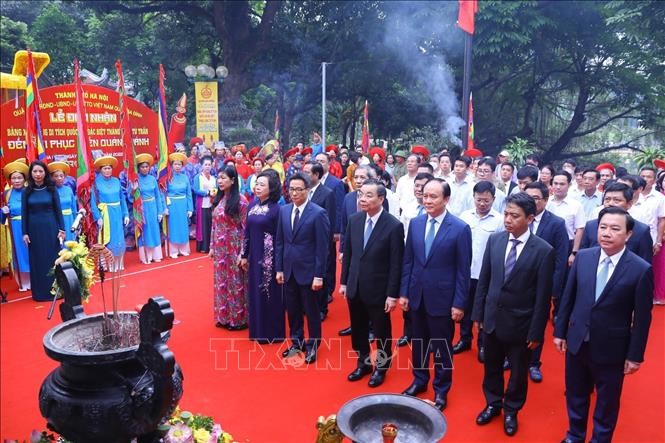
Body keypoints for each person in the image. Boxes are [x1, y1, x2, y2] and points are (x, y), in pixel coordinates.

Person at [554, 206, 653, 443]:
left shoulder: (640, 269)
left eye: (615, 229)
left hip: (612, 348)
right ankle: (575, 435)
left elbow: (642, 318)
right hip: (578, 340)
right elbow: (569, 296)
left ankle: (600, 439)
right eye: (603, 227)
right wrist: (560, 331)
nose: (607, 233)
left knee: (607, 403)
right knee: (576, 394)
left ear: (628, 234)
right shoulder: (584, 257)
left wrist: (635, 355)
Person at [472, 192, 554, 436]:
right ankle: (493, 403)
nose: (507, 219)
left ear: (529, 218)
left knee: (518, 373)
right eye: (506, 214)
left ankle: (511, 410)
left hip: (521, 323)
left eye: (514, 216)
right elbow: (484, 281)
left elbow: (542, 296)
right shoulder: (495, 241)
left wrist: (536, 330)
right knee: (491, 367)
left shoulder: (543, 251)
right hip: (492, 319)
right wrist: (478, 314)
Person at [399, 178, 472, 411]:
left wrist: (459, 303)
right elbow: (408, 261)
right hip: (417, 296)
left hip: (443, 299)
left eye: (433, 196)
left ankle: (441, 390)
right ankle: (419, 380)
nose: (427, 200)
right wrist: (404, 293)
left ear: (446, 199)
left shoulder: (460, 228)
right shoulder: (417, 223)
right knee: (419, 344)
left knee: (442, 348)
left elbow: (463, 270)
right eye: (425, 195)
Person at [341, 179, 404, 387]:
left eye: (369, 195)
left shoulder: (394, 226)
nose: (362, 199)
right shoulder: (354, 220)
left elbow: (396, 263)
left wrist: (392, 294)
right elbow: (348, 254)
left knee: (381, 332)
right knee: (358, 328)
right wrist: (344, 283)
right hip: (355, 285)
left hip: (379, 289)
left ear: (381, 198)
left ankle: (381, 367)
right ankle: (363, 362)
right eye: (360, 194)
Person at [275, 173, 330, 364]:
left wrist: (319, 275)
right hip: (289, 270)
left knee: (311, 311)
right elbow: (280, 242)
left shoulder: (318, 213)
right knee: (293, 310)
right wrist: (279, 269)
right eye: (291, 189)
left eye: (299, 189)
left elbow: (323, 248)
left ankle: (313, 345)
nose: (295, 193)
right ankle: (296, 342)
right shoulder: (283, 211)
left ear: (307, 190)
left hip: (308, 271)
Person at [523, 181, 570, 382]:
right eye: (528, 197)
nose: (531, 202)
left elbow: (561, 259)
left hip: (543, 283)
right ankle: (513, 357)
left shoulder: (557, 223)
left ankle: (533, 363)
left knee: (537, 323)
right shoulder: (518, 217)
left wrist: (554, 288)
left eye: (535, 198)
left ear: (546, 199)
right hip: (518, 281)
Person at [455, 181, 504, 361]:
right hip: (465, 272)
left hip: (487, 274)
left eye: (486, 201)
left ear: (493, 199)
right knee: (465, 307)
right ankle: (464, 339)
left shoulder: (499, 220)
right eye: (479, 200)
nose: (482, 204)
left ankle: (483, 344)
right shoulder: (464, 216)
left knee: (484, 310)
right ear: (473, 198)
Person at [240, 171, 285, 343]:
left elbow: (281, 237)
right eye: (256, 184)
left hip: (270, 257)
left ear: (271, 188)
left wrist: (279, 262)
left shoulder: (277, 209)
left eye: (262, 185)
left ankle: (273, 332)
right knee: (255, 293)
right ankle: (257, 331)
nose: (257, 187)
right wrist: (244, 254)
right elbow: (247, 232)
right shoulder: (251, 206)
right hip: (254, 256)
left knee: (269, 293)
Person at [210, 165, 249, 330]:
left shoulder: (241, 201)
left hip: (234, 246)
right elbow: (214, 225)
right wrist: (212, 246)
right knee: (221, 282)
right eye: (219, 178)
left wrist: (244, 252)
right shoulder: (218, 199)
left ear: (233, 180)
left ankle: (238, 319)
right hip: (220, 249)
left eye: (224, 178)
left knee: (236, 282)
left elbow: (246, 228)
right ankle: (223, 317)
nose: (220, 181)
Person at [21, 161, 65, 301]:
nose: (38, 174)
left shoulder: (51, 189)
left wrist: (62, 229)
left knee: (53, 259)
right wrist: (24, 233)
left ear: (45, 172)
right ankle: (40, 294)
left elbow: (59, 211)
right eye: (35, 172)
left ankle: (57, 291)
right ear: (31, 173)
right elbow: (24, 213)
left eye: (41, 171)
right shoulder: (26, 191)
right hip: (34, 230)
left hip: (51, 228)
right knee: (37, 260)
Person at [580, 182, 653, 264]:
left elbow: (645, 263)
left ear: (629, 204)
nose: (610, 203)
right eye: (607, 199)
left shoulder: (641, 230)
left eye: (616, 200)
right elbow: (582, 256)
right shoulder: (591, 225)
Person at [302, 161, 336, 320]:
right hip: (303, 242)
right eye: (303, 171)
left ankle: (322, 308)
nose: (305, 175)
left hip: (319, 241)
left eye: (308, 172)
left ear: (316, 175)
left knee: (320, 273)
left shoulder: (327, 193)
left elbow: (329, 220)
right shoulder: (301, 191)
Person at [91, 156, 129, 272]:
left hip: (117, 213)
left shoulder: (117, 181)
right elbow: (93, 202)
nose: (107, 170)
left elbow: (122, 199)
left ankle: (119, 262)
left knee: (119, 237)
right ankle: (109, 264)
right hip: (105, 215)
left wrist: (126, 214)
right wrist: (98, 217)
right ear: (100, 170)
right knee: (108, 238)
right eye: (105, 168)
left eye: (109, 168)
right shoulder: (96, 183)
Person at [1, 161, 31, 291]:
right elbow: (2, 219)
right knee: (19, 254)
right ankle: (23, 282)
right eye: (14, 178)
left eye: (19, 177)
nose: (17, 180)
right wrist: (3, 211)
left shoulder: (29, 191)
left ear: (24, 179)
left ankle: (35, 279)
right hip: (14, 228)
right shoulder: (7, 194)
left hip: (29, 226)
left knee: (31, 252)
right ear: (10, 180)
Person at [547, 170, 586, 267]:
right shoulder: (546, 202)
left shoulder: (576, 205)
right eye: (555, 183)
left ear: (569, 185)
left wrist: (574, 252)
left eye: (562, 184)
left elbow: (580, 229)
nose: (558, 187)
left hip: (567, 245)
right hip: (546, 243)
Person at [134, 154, 165, 264]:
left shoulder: (152, 179)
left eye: (147, 166)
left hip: (153, 207)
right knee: (145, 231)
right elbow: (130, 197)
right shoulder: (135, 179)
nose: (145, 169)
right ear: (138, 168)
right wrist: (133, 190)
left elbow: (158, 196)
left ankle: (156, 255)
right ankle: (146, 257)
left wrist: (160, 211)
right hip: (141, 208)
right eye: (142, 167)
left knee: (154, 231)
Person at [165, 152, 194, 258]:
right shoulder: (168, 178)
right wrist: (165, 207)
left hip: (183, 204)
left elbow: (189, 193)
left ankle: (183, 249)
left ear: (182, 166)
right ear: (172, 165)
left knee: (183, 226)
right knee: (173, 227)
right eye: (175, 164)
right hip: (172, 205)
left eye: (179, 164)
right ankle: (173, 250)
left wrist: (190, 208)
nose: (177, 167)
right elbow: (164, 193)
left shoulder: (185, 177)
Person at [47, 162, 78, 242]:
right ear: (52, 178)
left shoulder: (68, 189)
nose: (59, 178)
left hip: (69, 219)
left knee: (71, 242)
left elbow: (73, 207)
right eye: (56, 176)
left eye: (61, 176)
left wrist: (76, 223)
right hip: (56, 220)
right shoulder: (50, 191)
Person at [193, 155, 217, 253]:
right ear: (201, 166)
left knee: (211, 225)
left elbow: (216, 188)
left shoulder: (213, 178)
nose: (207, 166)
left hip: (211, 204)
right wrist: (207, 193)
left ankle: (212, 246)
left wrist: (214, 192)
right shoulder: (198, 177)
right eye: (205, 164)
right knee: (203, 225)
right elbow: (196, 189)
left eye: (209, 164)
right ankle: (203, 246)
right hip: (202, 204)